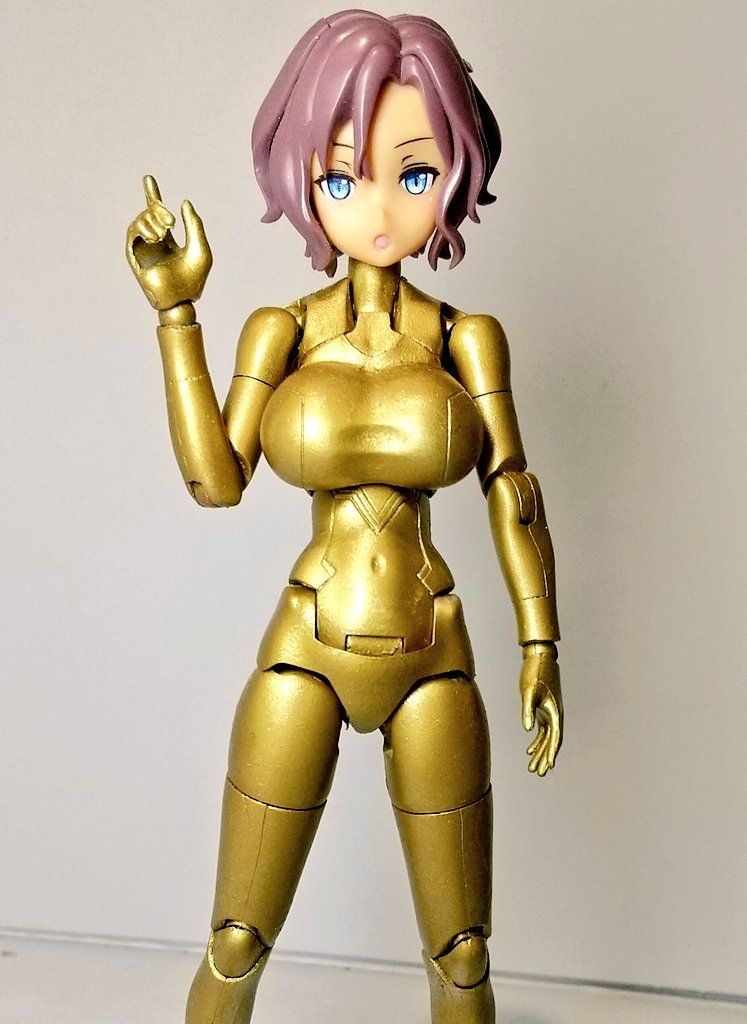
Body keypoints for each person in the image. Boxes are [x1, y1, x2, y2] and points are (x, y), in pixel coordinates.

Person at [126, 11, 563, 1024]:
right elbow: (217, 481)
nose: (376, 205)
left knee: (462, 954)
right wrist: (177, 315)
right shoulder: (280, 331)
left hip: (432, 649)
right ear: (302, 177)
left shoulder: (465, 338)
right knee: (237, 938)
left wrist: (541, 641)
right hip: (307, 648)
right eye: (341, 176)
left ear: (455, 171)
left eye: (413, 173)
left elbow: (513, 488)